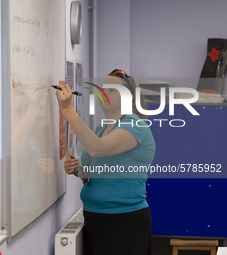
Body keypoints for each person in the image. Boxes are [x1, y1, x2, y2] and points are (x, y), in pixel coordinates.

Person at [56, 69, 156, 255]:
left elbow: (98, 149)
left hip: (124, 221)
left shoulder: (136, 126)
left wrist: (68, 109)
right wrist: (79, 170)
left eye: (112, 90)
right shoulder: (103, 127)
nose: (104, 94)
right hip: (96, 218)